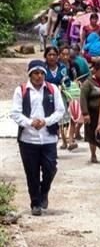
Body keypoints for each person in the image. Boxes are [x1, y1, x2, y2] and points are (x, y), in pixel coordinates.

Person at [10, 60, 66, 215]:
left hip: (48, 138)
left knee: (50, 168)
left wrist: (46, 121)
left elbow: (60, 111)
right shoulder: (21, 91)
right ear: (30, 74)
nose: (39, 76)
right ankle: (35, 203)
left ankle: (44, 191)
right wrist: (29, 122)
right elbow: (15, 112)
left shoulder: (52, 89)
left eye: (41, 73)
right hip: (28, 139)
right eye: (36, 73)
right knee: (31, 172)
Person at [79, 61, 100, 163]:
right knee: (91, 135)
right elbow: (83, 98)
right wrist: (85, 113)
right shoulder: (88, 83)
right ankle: (93, 154)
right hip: (92, 113)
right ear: (95, 71)